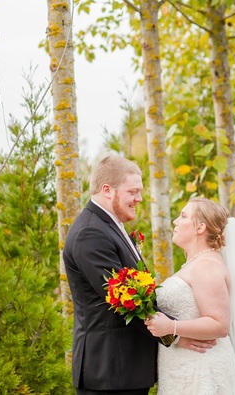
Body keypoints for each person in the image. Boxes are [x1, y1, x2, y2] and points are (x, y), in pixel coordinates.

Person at [63, 155, 213, 395]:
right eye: (133, 192)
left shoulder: (108, 226)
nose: (139, 199)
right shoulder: (90, 233)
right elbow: (128, 300)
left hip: (123, 370)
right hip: (110, 370)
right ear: (107, 190)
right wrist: (173, 334)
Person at [145, 198, 235, 394]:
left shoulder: (207, 266)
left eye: (183, 216)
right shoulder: (197, 263)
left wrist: (171, 327)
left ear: (200, 227)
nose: (175, 221)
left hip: (202, 372)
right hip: (183, 370)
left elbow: (220, 324)